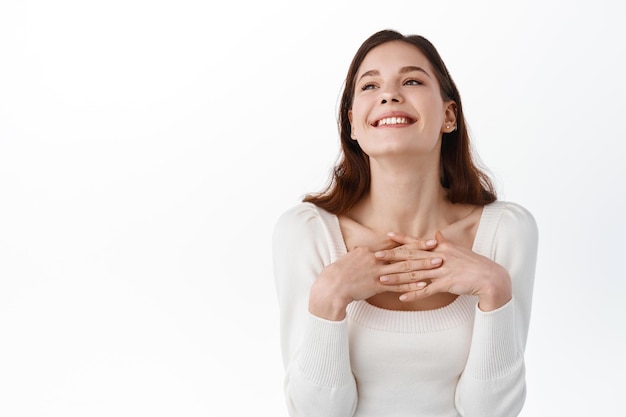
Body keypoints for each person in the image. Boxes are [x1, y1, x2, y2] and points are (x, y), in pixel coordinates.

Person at [272, 29, 538, 417]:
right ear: (352, 124)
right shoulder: (306, 233)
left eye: (411, 80)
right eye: (370, 85)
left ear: (449, 115)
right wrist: (329, 296)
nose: (389, 95)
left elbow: (491, 412)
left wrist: (495, 288)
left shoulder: (507, 232)